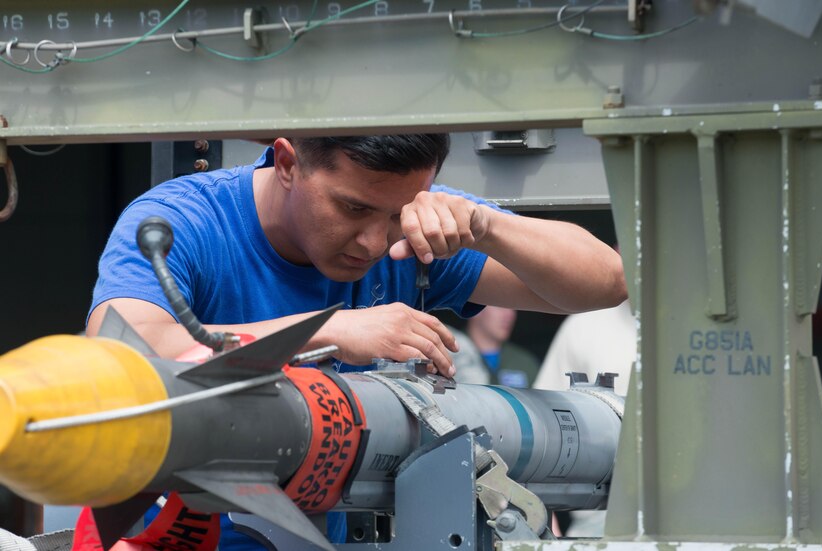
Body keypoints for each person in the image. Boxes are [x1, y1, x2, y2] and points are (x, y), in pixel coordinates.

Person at [86, 134, 627, 548]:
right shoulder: (185, 220)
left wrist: (484, 226)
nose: (373, 241)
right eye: (353, 209)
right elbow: (128, 357)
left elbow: (607, 282)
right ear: (288, 163)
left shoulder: (409, 231)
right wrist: (330, 331)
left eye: (394, 215)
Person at [533, 297, 635, 537]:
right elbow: (544, 427)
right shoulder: (585, 325)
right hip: (597, 520)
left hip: (692, 512)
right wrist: (544, 518)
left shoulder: (702, 328)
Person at [450, 306, 540, 388]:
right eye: (500, 305)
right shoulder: (449, 352)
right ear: (474, 308)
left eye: (513, 307)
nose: (509, 314)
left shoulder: (525, 363)